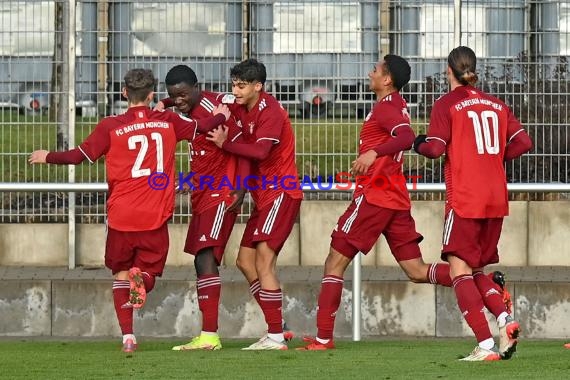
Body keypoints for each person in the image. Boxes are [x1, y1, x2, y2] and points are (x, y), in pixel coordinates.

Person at [28, 68, 230, 354]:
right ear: (151, 95)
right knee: (146, 273)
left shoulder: (110, 126)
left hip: (121, 215)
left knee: (120, 273)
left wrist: (47, 156)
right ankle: (143, 280)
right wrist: (221, 115)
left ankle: (128, 337)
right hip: (155, 216)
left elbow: (79, 156)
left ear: (124, 93)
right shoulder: (168, 121)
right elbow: (203, 127)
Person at [295, 54, 454, 351]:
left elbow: (406, 137)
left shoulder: (386, 108)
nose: (370, 73)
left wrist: (374, 154)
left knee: (334, 261)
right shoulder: (395, 106)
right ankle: (477, 282)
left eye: (375, 69)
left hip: (374, 197)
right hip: (394, 198)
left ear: (387, 79)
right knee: (417, 271)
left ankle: (323, 338)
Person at [414, 46, 533, 361]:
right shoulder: (496, 104)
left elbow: (435, 148)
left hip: (465, 197)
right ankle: (504, 320)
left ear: (448, 71)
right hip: (495, 197)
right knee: (476, 268)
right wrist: (492, 159)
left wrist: (417, 143)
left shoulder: (447, 104)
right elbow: (524, 142)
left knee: (458, 270)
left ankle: (485, 344)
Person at [207, 58, 303, 350]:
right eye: (234, 84)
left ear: (257, 86)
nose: (235, 90)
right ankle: (279, 327)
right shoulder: (237, 101)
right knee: (244, 262)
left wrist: (224, 145)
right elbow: (206, 98)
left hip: (281, 193)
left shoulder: (271, 111)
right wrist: (163, 104)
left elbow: (261, 151)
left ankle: (275, 336)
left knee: (263, 262)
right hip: (263, 197)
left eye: (241, 85)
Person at [153, 64, 245, 351]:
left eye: (182, 95)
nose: (178, 101)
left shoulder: (214, 108)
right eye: (173, 96)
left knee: (206, 258)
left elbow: (239, 143)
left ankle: (210, 336)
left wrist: (240, 187)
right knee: (202, 261)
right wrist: (167, 102)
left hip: (222, 194)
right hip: (203, 194)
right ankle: (211, 334)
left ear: (196, 87)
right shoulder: (190, 111)